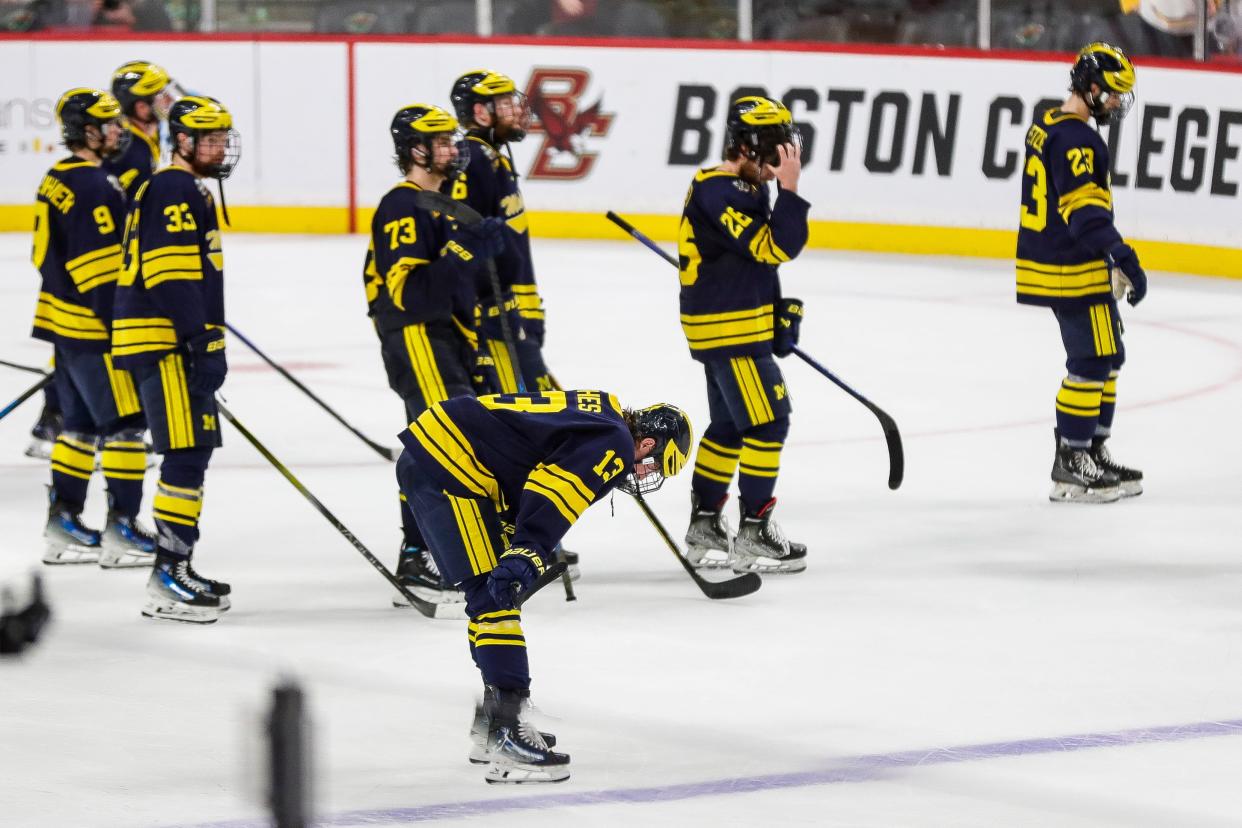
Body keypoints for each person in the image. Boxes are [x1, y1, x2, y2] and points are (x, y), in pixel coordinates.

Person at [395, 389, 691, 782]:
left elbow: (524, 457)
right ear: (648, 443)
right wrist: (528, 550)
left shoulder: (603, 413)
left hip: (443, 455)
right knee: (495, 599)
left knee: (488, 597)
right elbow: (555, 489)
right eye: (652, 465)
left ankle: (492, 725)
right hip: (451, 467)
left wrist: (516, 533)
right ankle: (506, 734)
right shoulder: (617, 443)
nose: (643, 475)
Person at [361, 103, 507, 607]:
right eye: (440, 142)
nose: (452, 148)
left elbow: (458, 283)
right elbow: (408, 294)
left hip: (448, 339)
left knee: (445, 442)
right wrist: (464, 250)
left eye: (451, 140)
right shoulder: (404, 205)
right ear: (414, 150)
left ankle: (428, 551)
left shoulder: (441, 204)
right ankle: (420, 556)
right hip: (418, 336)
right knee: (441, 442)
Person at [111, 95, 240, 623]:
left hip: (169, 338)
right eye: (207, 138)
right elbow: (168, 273)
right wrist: (200, 338)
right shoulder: (173, 186)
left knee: (193, 451)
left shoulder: (182, 187)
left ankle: (176, 564)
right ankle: (169, 571)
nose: (218, 147)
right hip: (163, 341)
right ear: (181, 141)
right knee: (185, 452)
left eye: (220, 137)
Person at [677, 96, 810, 575]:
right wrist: (792, 192)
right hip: (728, 327)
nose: (786, 155)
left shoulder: (742, 185)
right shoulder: (723, 189)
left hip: (731, 320)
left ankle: (706, 523)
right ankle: (755, 531)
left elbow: (755, 261)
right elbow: (774, 246)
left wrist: (774, 313)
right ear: (749, 146)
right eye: (776, 145)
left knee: (731, 426)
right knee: (769, 422)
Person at [1016, 42, 1146, 503]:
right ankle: (1071, 461)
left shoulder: (1048, 122)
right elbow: (1084, 215)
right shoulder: (1077, 139)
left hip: (1056, 258)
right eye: (1111, 93)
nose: (1116, 103)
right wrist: (1121, 256)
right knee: (1091, 362)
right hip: (1071, 266)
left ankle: (1092, 447)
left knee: (1110, 356)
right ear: (1090, 88)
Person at [32, 88, 156, 570]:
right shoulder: (95, 187)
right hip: (95, 330)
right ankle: (122, 527)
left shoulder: (56, 178)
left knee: (80, 426)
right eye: (107, 125)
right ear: (87, 131)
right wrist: (127, 327)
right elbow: (101, 274)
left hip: (62, 324)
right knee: (126, 426)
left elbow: (44, 256)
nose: (117, 131)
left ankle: (62, 520)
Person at [448, 69, 555, 394]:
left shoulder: (492, 156)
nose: (517, 110)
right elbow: (466, 240)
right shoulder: (473, 159)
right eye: (505, 103)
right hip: (496, 314)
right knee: (522, 407)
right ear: (481, 112)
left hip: (514, 306)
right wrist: (488, 309)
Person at [105, 60, 179, 200]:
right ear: (141, 107)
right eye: (162, 95)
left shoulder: (147, 132)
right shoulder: (129, 151)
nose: (170, 100)